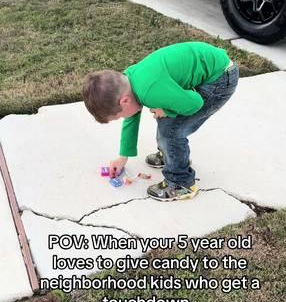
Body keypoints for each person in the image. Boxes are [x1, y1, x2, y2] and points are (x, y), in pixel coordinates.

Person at [82, 42, 239, 201]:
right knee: (166, 121)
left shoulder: (151, 91)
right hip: (214, 66)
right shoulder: (129, 80)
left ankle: (181, 183)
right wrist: (122, 158)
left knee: (170, 130)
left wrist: (167, 110)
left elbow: (195, 104)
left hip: (220, 80)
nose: (123, 118)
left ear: (124, 101)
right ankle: (171, 155)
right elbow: (131, 118)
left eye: (119, 116)